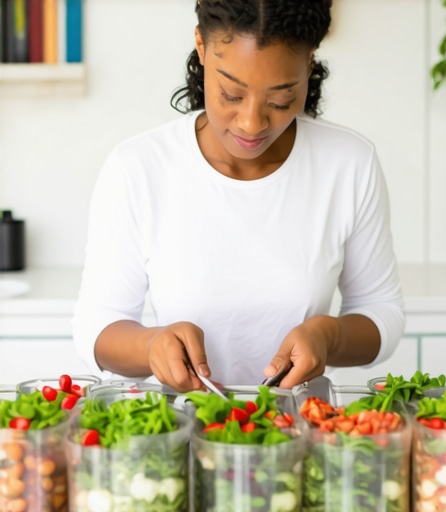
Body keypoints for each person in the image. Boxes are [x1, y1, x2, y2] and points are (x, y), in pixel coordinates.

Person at [72, 0, 404, 391]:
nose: (251, 123)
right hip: (184, 432)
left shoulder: (348, 163)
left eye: (280, 101)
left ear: (310, 63)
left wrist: (329, 336)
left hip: (300, 428)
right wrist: (150, 345)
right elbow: (96, 327)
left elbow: (381, 312)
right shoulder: (139, 167)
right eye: (231, 94)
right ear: (201, 46)